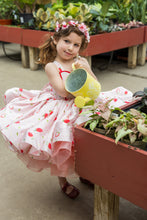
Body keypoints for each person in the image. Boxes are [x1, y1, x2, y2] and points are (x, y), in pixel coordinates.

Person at [0, 19, 133, 199]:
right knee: (63, 144)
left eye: (76, 45)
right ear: (56, 39)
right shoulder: (52, 66)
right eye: (67, 41)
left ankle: (85, 173)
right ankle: (63, 181)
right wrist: (80, 84)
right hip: (61, 106)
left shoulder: (80, 61)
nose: (70, 48)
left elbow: (95, 85)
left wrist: (88, 70)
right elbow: (63, 91)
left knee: (85, 142)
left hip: (83, 103)